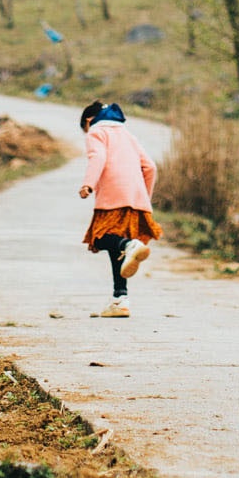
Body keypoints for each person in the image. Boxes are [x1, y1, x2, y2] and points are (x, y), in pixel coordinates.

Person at [79, 100, 159, 318]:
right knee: (117, 250)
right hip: (135, 197)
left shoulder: (96, 132)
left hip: (112, 196)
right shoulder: (127, 134)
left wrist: (88, 184)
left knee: (100, 238)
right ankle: (120, 299)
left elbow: (98, 157)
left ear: (89, 120)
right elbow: (150, 167)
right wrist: (144, 198)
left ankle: (130, 245)